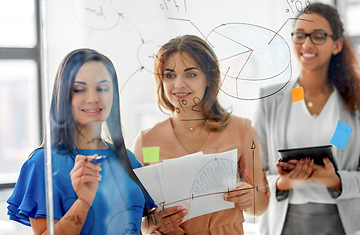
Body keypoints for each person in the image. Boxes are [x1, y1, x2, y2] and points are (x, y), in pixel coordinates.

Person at [7, 48, 155, 235]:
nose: (93, 98)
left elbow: (139, 226)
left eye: (102, 88)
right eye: (79, 89)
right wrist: (83, 201)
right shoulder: (43, 164)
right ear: (64, 96)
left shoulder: (128, 159)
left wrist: (159, 226)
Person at [133, 35, 270, 234]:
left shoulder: (242, 130)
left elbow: (261, 205)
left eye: (191, 74)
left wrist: (251, 198)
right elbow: (137, 217)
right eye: (170, 75)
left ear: (209, 79)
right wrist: (154, 223)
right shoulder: (148, 142)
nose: (178, 84)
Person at [254, 2, 360, 235]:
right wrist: (283, 183)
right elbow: (254, 175)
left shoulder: (354, 103)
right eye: (300, 35)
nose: (307, 44)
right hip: (284, 222)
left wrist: (336, 180)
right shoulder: (271, 101)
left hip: (341, 224)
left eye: (318, 36)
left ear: (337, 44)